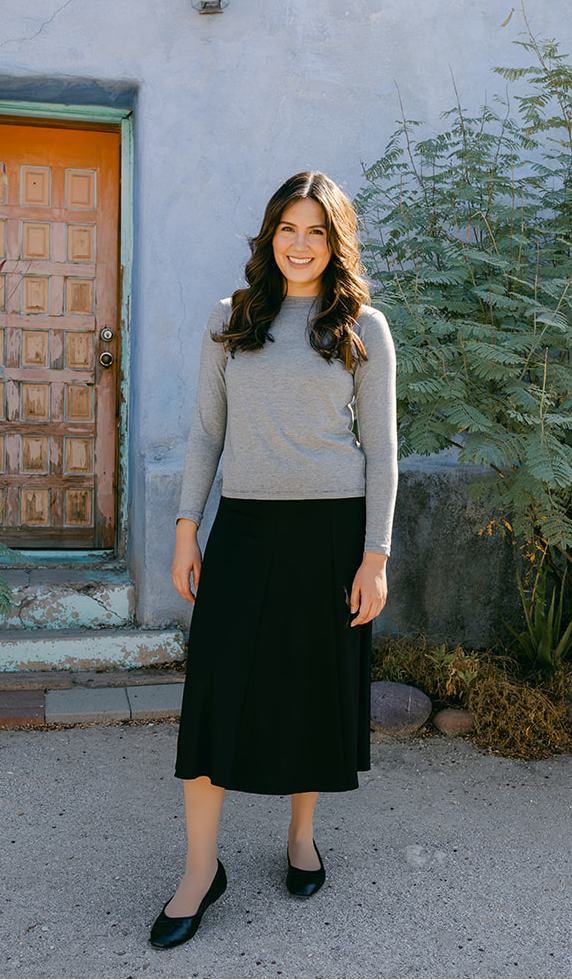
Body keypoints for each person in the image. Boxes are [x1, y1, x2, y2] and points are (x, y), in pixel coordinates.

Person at [150, 171, 398, 950]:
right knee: (215, 695)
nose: (300, 245)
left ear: (335, 242)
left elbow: (384, 453)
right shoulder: (232, 319)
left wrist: (376, 556)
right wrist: (188, 526)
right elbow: (204, 433)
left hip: (331, 535)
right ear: (269, 236)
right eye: (288, 229)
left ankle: (299, 838)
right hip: (247, 532)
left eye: (316, 231)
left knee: (309, 692)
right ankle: (199, 870)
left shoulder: (363, 325)